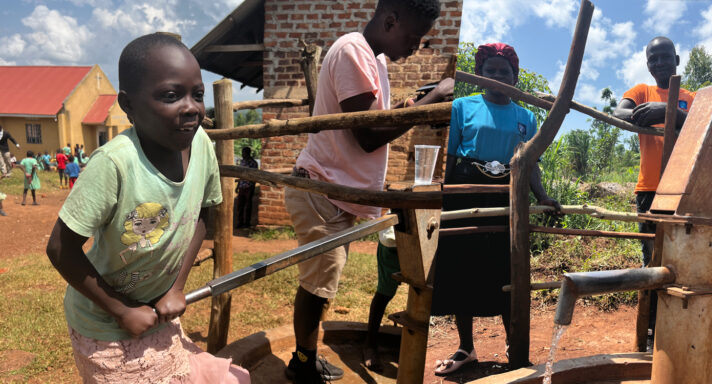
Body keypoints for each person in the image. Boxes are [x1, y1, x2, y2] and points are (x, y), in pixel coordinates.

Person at [44, 33, 249, 384]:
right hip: (104, 325)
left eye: (197, 94)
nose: (191, 107)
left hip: (158, 310)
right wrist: (122, 310)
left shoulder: (200, 143)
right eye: (171, 96)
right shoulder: (115, 164)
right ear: (129, 105)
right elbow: (60, 248)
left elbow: (202, 215)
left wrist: (177, 286)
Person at [283, 1, 452, 382]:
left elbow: (369, 119)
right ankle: (303, 366)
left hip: (334, 193)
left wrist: (408, 103)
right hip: (322, 190)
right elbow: (367, 135)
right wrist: (432, 99)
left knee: (322, 285)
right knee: (316, 287)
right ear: (390, 20)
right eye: (413, 37)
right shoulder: (352, 51)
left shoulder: (374, 60)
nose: (415, 47)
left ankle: (304, 357)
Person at [431, 42, 561, 375]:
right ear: (479, 74)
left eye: (505, 72)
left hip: (508, 196)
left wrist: (542, 196)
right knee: (462, 268)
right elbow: (448, 156)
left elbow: (530, 164)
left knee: (508, 267)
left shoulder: (526, 116)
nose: (498, 76)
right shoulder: (462, 107)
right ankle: (466, 348)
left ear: (515, 78)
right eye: (491, 71)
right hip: (466, 192)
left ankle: (513, 345)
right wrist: (439, 196)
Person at [610, 36, 695, 347]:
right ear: (648, 64)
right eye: (652, 58)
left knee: (685, 260)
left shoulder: (691, 97)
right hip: (650, 190)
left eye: (664, 57)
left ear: (677, 59)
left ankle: (677, 324)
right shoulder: (640, 93)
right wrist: (652, 111)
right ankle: (652, 329)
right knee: (653, 260)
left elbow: (702, 124)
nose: (658, 63)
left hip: (685, 189)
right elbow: (619, 114)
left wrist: (666, 110)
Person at [361, 225, 400, 371]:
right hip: (393, 244)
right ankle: (370, 344)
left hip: (427, 243)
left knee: (421, 293)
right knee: (385, 293)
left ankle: (412, 344)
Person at [234, 146, 258, 229]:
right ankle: (240, 222)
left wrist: (252, 187)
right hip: (242, 187)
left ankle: (247, 223)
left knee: (248, 206)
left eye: (244, 152)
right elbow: (240, 175)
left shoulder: (253, 163)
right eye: (242, 152)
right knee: (240, 205)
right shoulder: (242, 162)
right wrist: (237, 186)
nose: (243, 154)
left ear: (248, 153)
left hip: (249, 187)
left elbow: (255, 176)